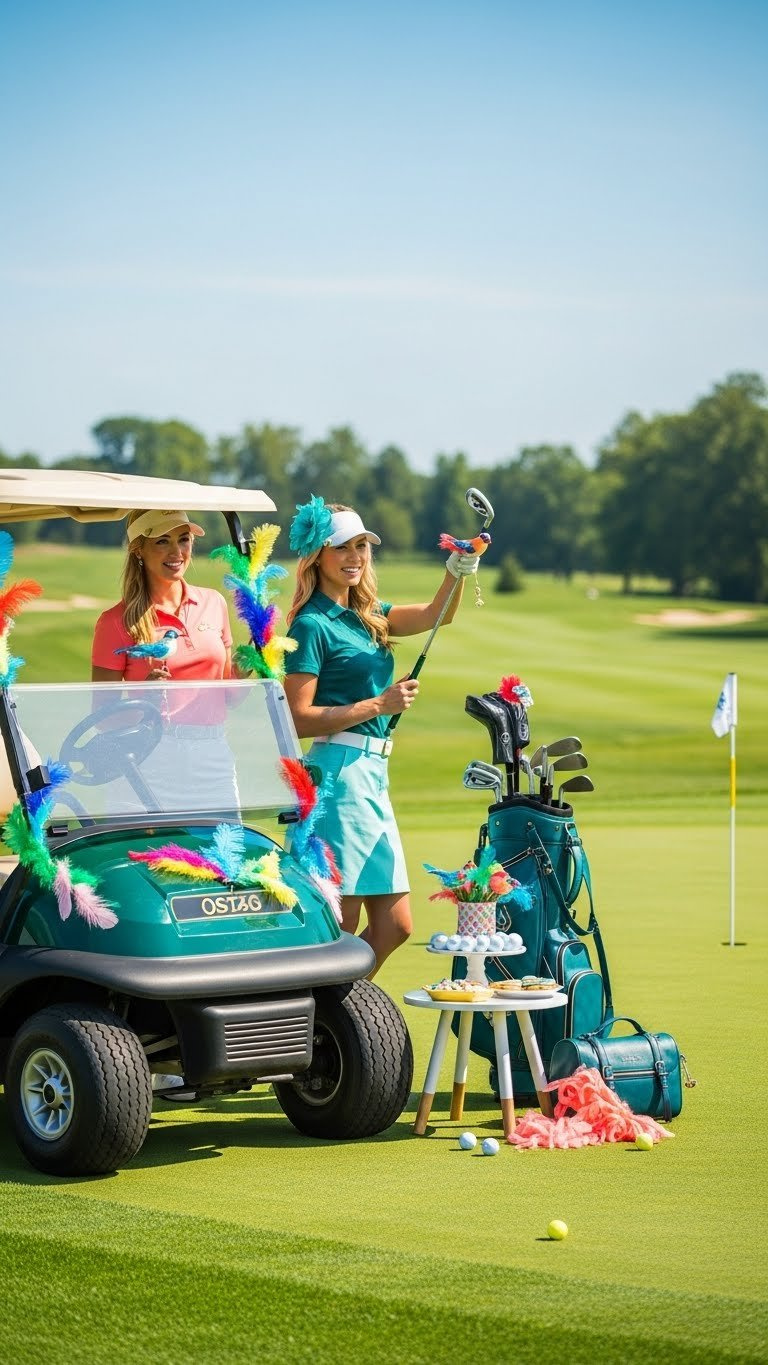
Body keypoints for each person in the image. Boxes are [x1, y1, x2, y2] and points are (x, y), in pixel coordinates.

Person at [283, 499, 479, 975]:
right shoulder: (311, 624)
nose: (355, 557)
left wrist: (456, 569)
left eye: (362, 547)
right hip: (336, 777)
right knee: (342, 926)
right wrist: (378, 705)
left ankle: (339, 1010)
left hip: (371, 777)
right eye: (343, 548)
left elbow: (438, 615)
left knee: (396, 925)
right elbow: (297, 718)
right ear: (317, 556)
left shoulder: (370, 614)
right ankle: (325, 1023)